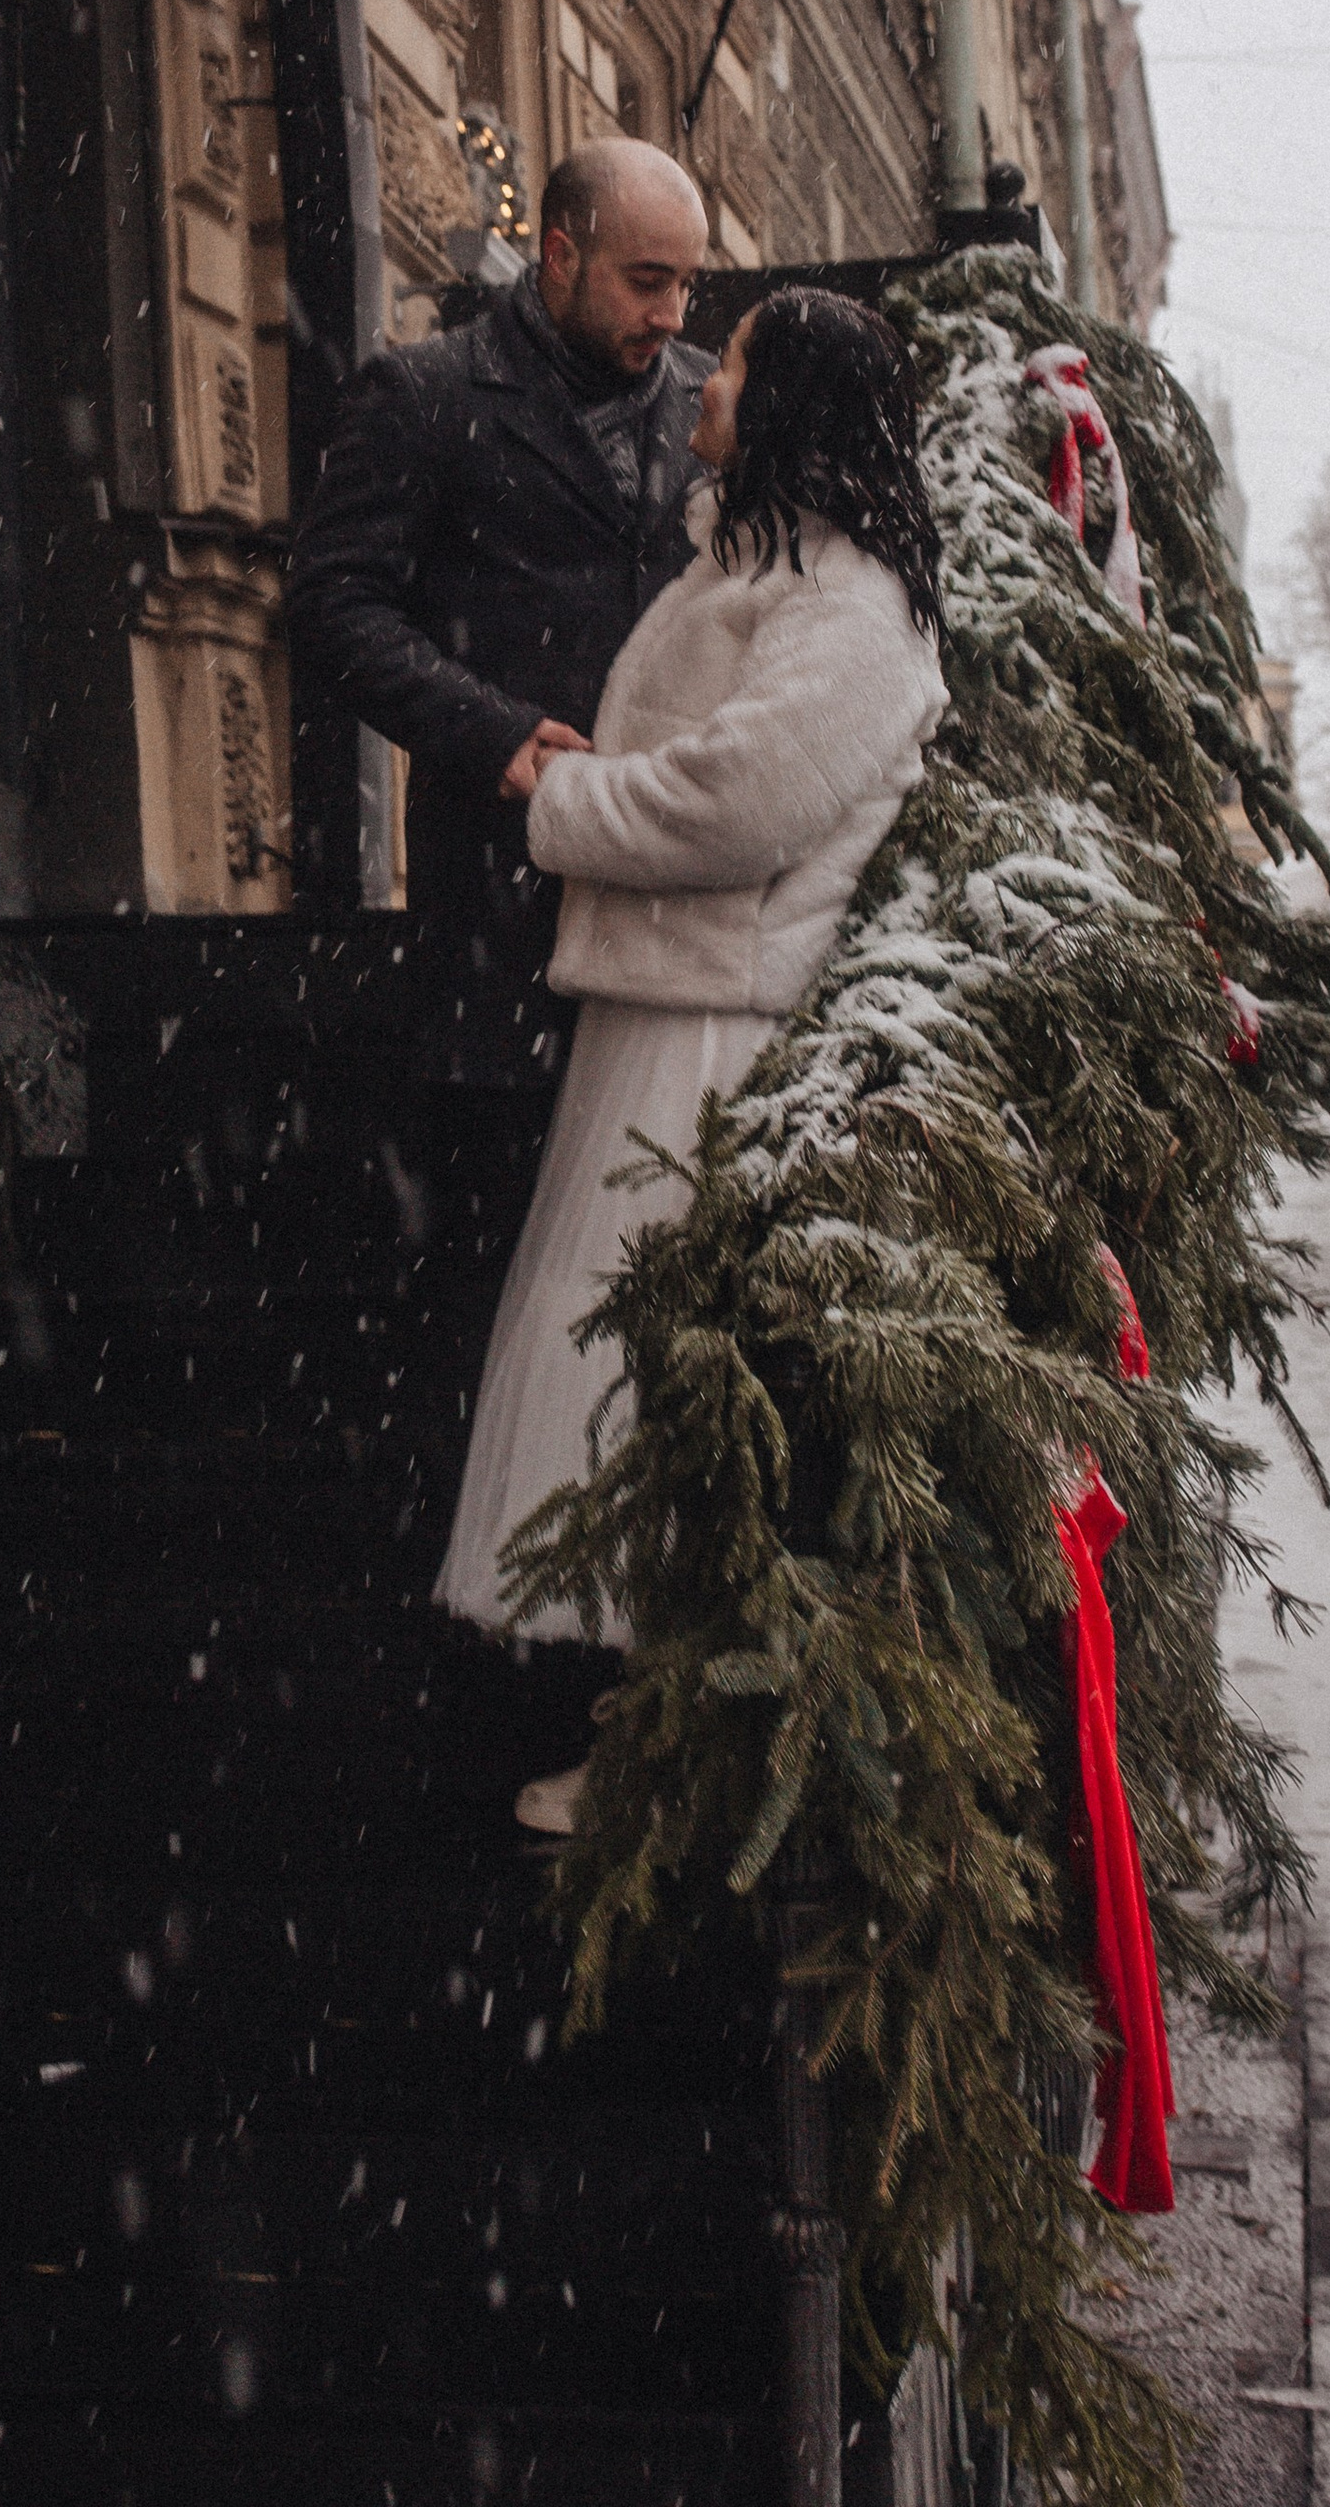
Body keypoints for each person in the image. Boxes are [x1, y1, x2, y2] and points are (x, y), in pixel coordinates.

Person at [430, 286, 949, 1831]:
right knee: (620, 1380)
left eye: (732, 364)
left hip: (717, 1041)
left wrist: (560, 806)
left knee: (650, 1387)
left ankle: (680, 1750)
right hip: (664, 1011)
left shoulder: (849, 605)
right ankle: (653, 1727)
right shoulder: (767, 565)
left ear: (791, 405)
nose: (703, 385)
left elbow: (741, 805)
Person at [286, 138, 714, 1108]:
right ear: (559, 256)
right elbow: (330, 603)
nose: (673, 314)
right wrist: (491, 732)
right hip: (502, 913)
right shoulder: (424, 392)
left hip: (679, 910)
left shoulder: (711, 404)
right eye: (648, 281)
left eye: (688, 283)